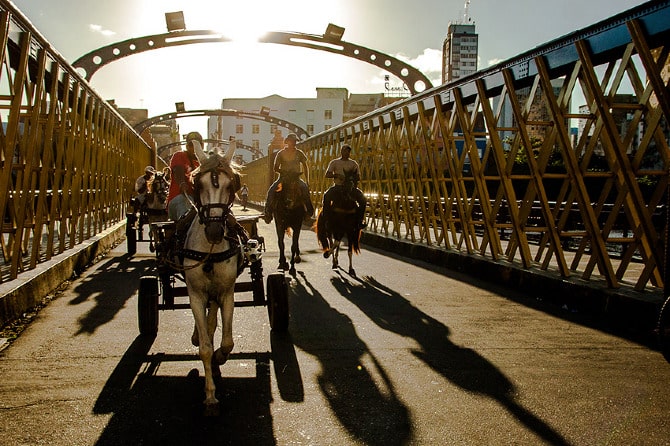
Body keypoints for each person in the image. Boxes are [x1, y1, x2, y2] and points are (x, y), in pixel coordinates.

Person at [263, 133, 314, 224]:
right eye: (292, 141)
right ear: (287, 142)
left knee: (305, 189)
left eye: (295, 141)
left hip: (296, 178)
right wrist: (283, 172)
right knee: (271, 191)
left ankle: (308, 213)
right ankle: (268, 212)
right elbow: (275, 168)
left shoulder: (299, 153)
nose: (293, 143)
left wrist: (307, 181)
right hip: (283, 178)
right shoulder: (281, 153)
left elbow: (305, 166)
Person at [322, 144, 367, 229]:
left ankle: (360, 221)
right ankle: (326, 219)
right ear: (341, 152)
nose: (346, 153)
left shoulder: (353, 164)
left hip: (351, 187)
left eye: (347, 151)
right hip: (338, 186)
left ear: (349, 153)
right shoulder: (334, 162)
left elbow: (358, 177)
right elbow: (327, 174)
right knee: (326, 196)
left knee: (363, 200)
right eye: (344, 151)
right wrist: (336, 175)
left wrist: (351, 178)